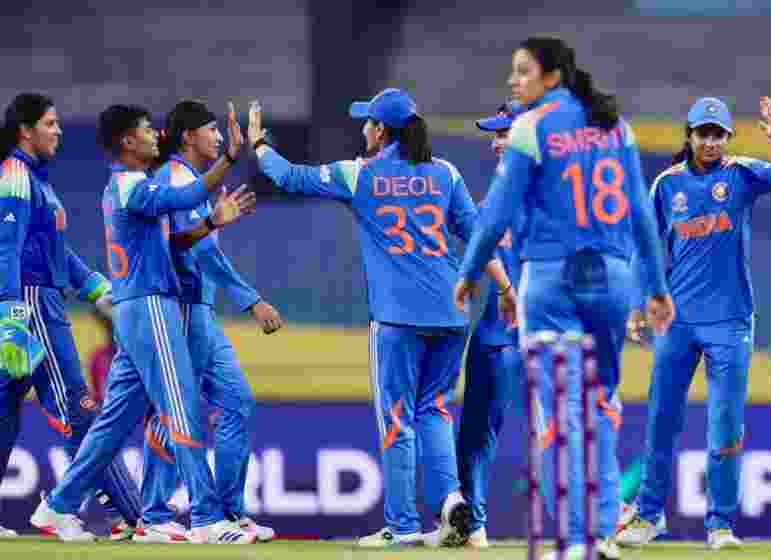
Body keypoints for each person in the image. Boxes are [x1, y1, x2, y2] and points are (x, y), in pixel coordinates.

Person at [248, 89, 514, 548]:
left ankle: (402, 526)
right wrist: (506, 289)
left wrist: (257, 145)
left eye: (367, 122)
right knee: (434, 410)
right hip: (451, 311)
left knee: (395, 419)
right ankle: (451, 501)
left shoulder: (361, 173)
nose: (363, 129)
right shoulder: (445, 172)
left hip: (397, 316)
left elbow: (289, 176)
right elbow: (479, 236)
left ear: (381, 130)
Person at [455, 36, 674, 560]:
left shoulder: (532, 127)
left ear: (551, 77)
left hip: (552, 277)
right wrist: (656, 288)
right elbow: (642, 215)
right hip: (614, 277)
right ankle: (603, 532)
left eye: (523, 71)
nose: (514, 81)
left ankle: (578, 538)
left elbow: (497, 213)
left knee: (563, 409)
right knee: (601, 404)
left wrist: (468, 270)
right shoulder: (615, 127)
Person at [29, 102, 257, 544]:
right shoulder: (133, 185)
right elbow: (184, 197)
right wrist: (231, 157)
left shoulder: (124, 186)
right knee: (182, 406)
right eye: (148, 130)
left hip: (135, 309)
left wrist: (212, 221)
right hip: (150, 306)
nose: (157, 135)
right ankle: (208, 519)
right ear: (128, 141)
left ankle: (59, 505)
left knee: (115, 422)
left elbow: (175, 235)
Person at [616, 96, 771, 550]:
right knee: (662, 420)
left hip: (730, 322)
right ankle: (648, 516)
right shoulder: (667, 184)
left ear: (727, 137)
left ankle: (721, 524)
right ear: (689, 135)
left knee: (725, 424)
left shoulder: (741, 173)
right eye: (703, 134)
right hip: (677, 322)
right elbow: (644, 247)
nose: (710, 142)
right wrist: (636, 304)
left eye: (718, 134)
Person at [135, 99, 283, 544]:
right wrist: (251, 300)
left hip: (199, 309)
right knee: (176, 413)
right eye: (211, 129)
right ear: (188, 136)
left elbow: (193, 240)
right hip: (180, 309)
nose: (218, 137)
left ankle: (227, 511)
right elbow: (198, 251)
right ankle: (155, 513)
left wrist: (214, 222)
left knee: (235, 403)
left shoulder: (188, 181)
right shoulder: (175, 178)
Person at [0, 92, 142, 540]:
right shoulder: (15, 176)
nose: (58, 131)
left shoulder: (35, 181)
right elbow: (6, 248)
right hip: (32, 303)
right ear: (26, 131)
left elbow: (55, 250)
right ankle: (132, 515)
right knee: (78, 410)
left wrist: (96, 288)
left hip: (33, 297)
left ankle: (124, 513)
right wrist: (11, 311)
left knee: (4, 411)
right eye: (50, 123)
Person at [454, 103, 522, 548]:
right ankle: (473, 525)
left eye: (504, 134)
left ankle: (590, 526)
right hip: (498, 334)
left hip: (527, 333)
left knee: (563, 432)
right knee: (477, 433)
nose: (496, 143)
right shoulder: (491, 201)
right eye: (495, 135)